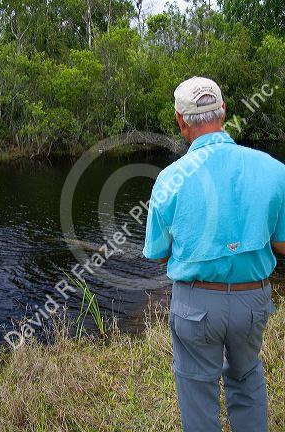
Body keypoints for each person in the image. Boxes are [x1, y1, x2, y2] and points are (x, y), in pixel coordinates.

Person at [143, 76, 285, 432]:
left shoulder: (168, 180)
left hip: (195, 307)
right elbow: (282, 244)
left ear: (180, 120)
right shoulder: (274, 170)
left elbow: (159, 255)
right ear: (223, 111)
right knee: (247, 377)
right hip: (252, 300)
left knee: (197, 391)